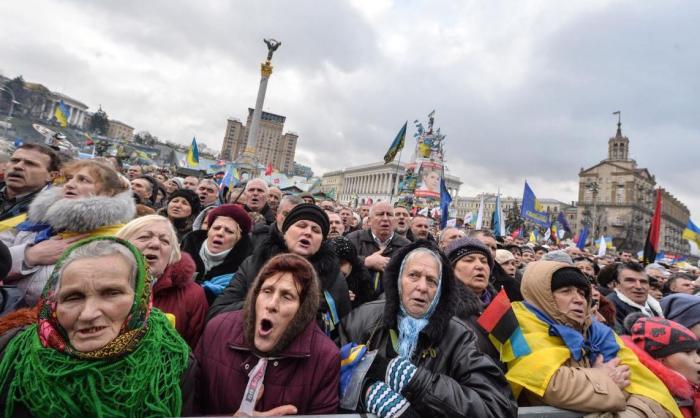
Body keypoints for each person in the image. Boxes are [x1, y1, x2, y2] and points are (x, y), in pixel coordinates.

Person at [0, 237, 191, 416]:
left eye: (111, 293)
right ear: (53, 304)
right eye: (73, 297)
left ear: (140, 299)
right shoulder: (11, 351)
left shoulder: (174, 364)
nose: (88, 314)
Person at [340, 241, 517, 418]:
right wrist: (364, 393)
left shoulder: (458, 335)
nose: (422, 287)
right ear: (398, 280)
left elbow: (496, 407)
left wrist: (414, 381)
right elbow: (324, 380)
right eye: (414, 276)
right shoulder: (361, 320)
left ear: (441, 290)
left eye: (432, 281)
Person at [501, 260, 681, 416]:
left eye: (581, 292)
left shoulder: (600, 332)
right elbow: (553, 388)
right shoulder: (516, 325)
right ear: (542, 296)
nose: (579, 299)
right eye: (566, 291)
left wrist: (600, 388)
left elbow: (639, 384)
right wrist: (604, 378)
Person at [192, 254, 339, 415]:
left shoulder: (325, 358)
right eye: (267, 291)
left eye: (287, 296)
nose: (271, 304)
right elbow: (189, 408)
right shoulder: (217, 330)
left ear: (302, 311)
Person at [208, 204, 351, 342]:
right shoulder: (254, 264)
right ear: (285, 233)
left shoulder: (335, 280)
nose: (308, 232)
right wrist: (263, 306)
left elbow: (341, 335)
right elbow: (217, 312)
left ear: (322, 242)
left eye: (316, 230)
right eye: (301, 225)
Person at [4, 159, 136, 307]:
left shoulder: (115, 241)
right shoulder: (36, 222)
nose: (70, 184)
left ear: (108, 192)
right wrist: (29, 255)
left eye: (83, 180)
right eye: (69, 179)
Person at [117, 215, 208, 348]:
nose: (155, 244)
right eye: (144, 237)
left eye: (165, 241)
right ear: (122, 244)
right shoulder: (96, 283)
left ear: (172, 254)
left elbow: (192, 351)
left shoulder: (193, 295)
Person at [621, 316, 700, 418]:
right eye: (687, 352)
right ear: (661, 360)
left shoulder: (689, 393)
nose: (698, 360)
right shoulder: (647, 401)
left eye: (697, 353)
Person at [181, 204, 253, 303]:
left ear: (238, 239)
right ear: (208, 231)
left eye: (229, 231)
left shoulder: (243, 273)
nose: (220, 233)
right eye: (216, 228)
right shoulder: (180, 254)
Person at [346, 201, 411, 297]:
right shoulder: (353, 239)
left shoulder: (406, 246)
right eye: (380, 214)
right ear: (369, 221)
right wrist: (365, 261)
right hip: (357, 304)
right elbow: (338, 264)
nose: (385, 218)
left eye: (389, 214)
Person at [0, 144, 60, 222]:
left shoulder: (50, 214)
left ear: (51, 176)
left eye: (30, 164)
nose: (18, 166)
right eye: (15, 161)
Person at [606, 261, 663, 327]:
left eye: (643, 282)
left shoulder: (654, 305)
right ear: (616, 285)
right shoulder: (609, 308)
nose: (638, 286)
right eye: (630, 281)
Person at [328, 236, 374, 309]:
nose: (336, 269)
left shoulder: (363, 280)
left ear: (351, 264)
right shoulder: (322, 276)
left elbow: (367, 310)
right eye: (333, 264)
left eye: (341, 263)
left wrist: (351, 302)